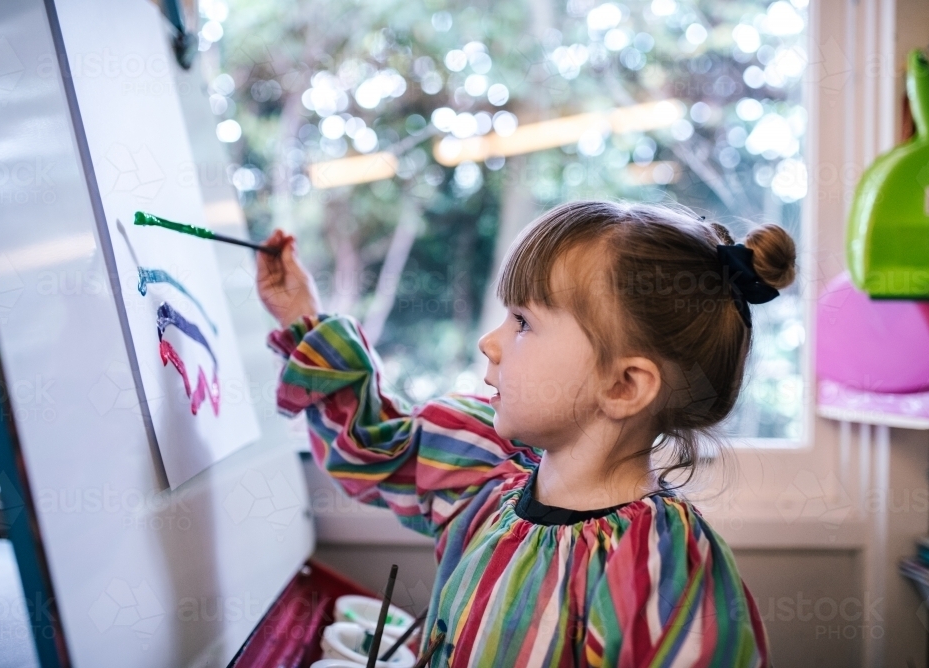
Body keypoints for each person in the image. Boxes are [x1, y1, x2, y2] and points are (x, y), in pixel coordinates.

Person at [256, 200, 793, 667]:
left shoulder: (660, 575)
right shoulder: (482, 471)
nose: (490, 342)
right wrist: (302, 314)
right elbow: (373, 446)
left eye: (523, 321)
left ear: (625, 385)